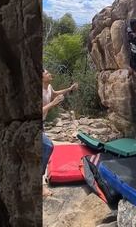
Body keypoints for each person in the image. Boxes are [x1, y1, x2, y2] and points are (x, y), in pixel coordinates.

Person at [41, 69, 78, 197]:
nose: (50, 74)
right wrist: (53, 104)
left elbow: (55, 93)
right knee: (47, 146)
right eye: (47, 73)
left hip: (42, 124)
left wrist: (69, 89)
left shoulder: (48, 87)